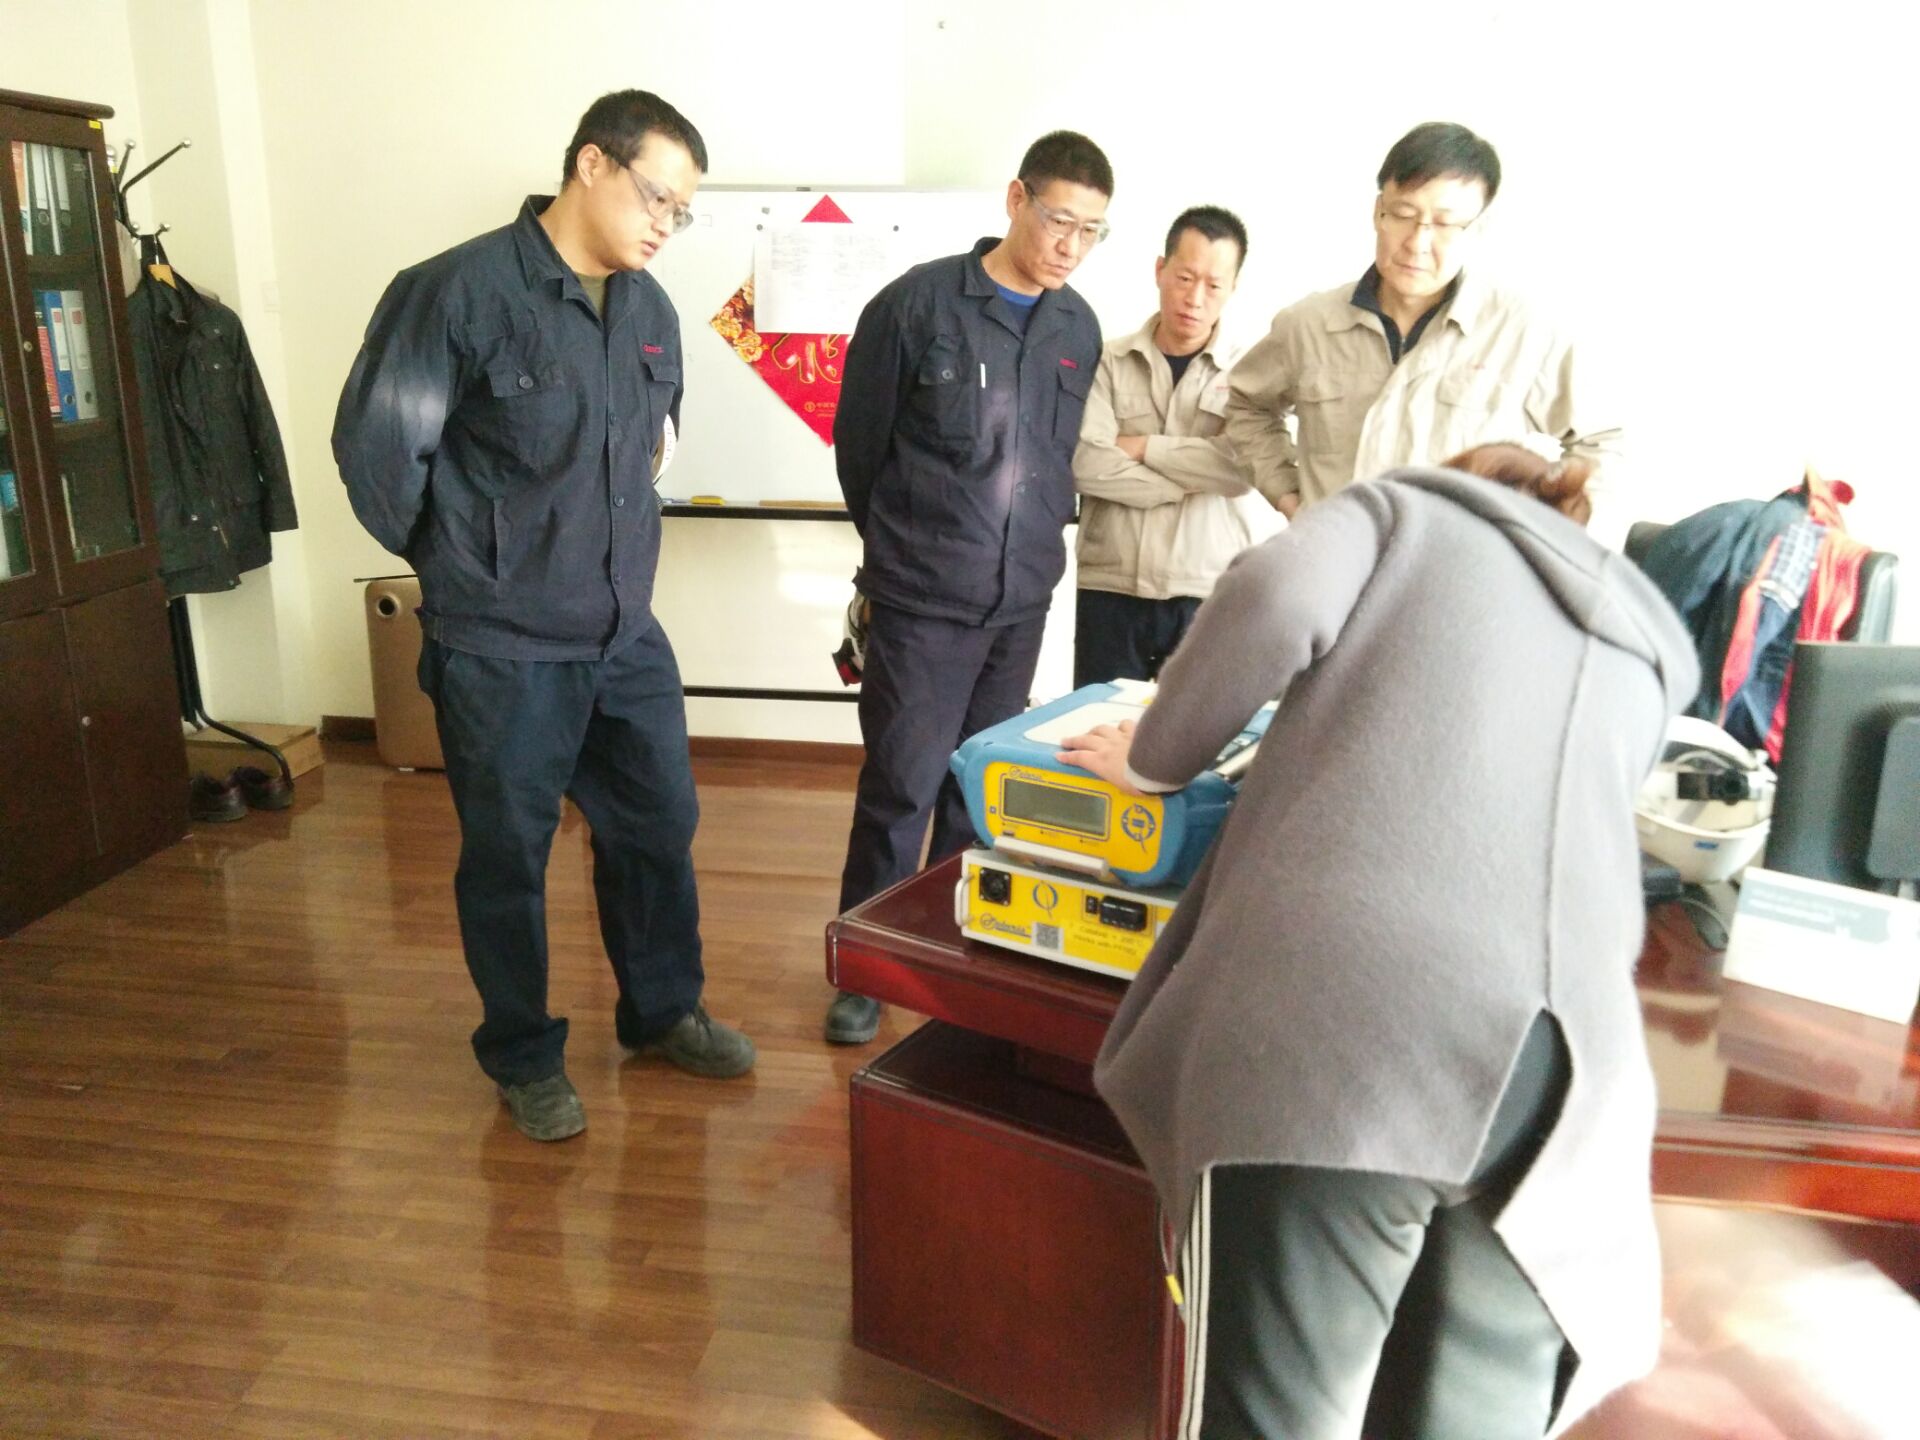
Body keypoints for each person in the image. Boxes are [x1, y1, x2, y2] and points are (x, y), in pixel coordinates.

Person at [1057, 444, 1697, 1437]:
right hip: (1566, 1086)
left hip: (1347, 1038)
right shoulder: (1636, 630)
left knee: (1272, 1419)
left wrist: (1152, 761)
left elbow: (1275, 595)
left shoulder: (1404, 514)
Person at [332, 90, 754, 1143]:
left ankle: (662, 1012)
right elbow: (379, 461)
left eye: (683, 210)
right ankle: (523, 1055)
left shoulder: (651, 313)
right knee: (509, 859)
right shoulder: (455, 292)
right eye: (658, 196)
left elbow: (651, 454)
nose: (667, 224)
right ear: (591, 165)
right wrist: (471, 571)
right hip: (503, 648)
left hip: (622, 634)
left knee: (656, 827)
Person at [825, 132, 1112, 1045]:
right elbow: (860, 450)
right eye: (1060, 219)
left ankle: (948, 948)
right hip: (922, 602)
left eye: (1092, 231)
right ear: (1016, 199)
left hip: (1019, 603)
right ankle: (867, 967)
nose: (1071, 245)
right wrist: (908, 552)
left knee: (978, 789)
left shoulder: (1078, 327)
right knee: (900, 787)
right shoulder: (916, 306)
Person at [1224, 122, 1622, 531]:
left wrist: (1542, 539)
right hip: (1337, 559)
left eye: (1445, 223)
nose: (1417, 242)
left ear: (1477, 228)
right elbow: (1245, 404)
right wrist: (1290, 497)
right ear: (1378, 211)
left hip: (1459, 563)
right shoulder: (1309, 325)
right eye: (1403, 215)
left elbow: (1603, 442)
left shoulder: (1522, 333)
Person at [1070, 206, 1278, 687]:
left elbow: (1239, 470)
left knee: (1193, 731)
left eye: (1214, 285)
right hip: (1110, 586)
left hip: (1206, 589)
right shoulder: (1108, 361)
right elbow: (1084, 461)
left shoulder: (1248, 372)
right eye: (1184, 278)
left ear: (1233, 287)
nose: (1195, 298)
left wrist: (1142, 446)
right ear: (1160, 270)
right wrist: (1186, 483)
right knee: (1096, 724)